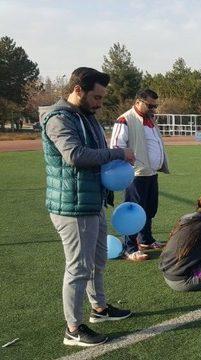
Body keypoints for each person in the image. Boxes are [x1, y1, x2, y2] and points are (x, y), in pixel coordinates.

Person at [40, 67, 135, 346]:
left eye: (102, 98)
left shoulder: (87, 116)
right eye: (96, 96)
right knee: (79, 267)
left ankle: (100, 309)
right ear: (78, 90)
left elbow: (97, 158)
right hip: (72, 207)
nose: (100, 103)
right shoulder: (58, 119)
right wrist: (119, 153)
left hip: (92, 201)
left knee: (98, 261)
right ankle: (73, 328)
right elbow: (75, 155)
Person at [110, 89, 169, 261]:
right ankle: (129, 247)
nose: (153, 109)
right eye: (150, 105)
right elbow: (116, 147)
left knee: (149, 209)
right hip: (134, 174)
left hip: (150, 173)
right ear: (138, 102)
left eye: (155, 106)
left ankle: (146, 240)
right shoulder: (125, 119)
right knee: (133, 211)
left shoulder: (150, 120)